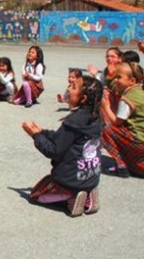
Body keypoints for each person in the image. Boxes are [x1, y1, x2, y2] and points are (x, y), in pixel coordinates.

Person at [22, 76, 103, 217]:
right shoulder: (97, 117)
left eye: (73, 87)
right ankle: (88, 195)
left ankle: (71, 199)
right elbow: (64, 138)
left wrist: (35, 136)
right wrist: (43, 132)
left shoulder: (73, 121)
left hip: (70, 180)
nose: (68, 88)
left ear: (83, 98)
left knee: (36, 194)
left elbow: (53, 150)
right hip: (90, 178)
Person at [101, 62, 144, 181]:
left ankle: (121, 166)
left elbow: (117, 122)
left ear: (132, 81)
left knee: (104, 127)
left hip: (143, 143)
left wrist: (106, 106)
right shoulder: (141, 92)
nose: (115, 80)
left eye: (119, 77)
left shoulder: (128, 98)